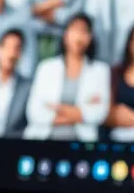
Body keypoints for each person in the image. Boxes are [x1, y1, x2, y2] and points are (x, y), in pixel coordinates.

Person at [24, 13, 111, 141]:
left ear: (90, 38)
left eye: (84, 31)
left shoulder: (100, 70)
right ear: (65, 34)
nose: (79, 36)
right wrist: (79, 113)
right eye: (75, 30)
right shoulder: (46, 67)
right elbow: (34, 112)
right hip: (43, 138)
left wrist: (58, 108)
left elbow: (100, 113)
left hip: (81, 140)